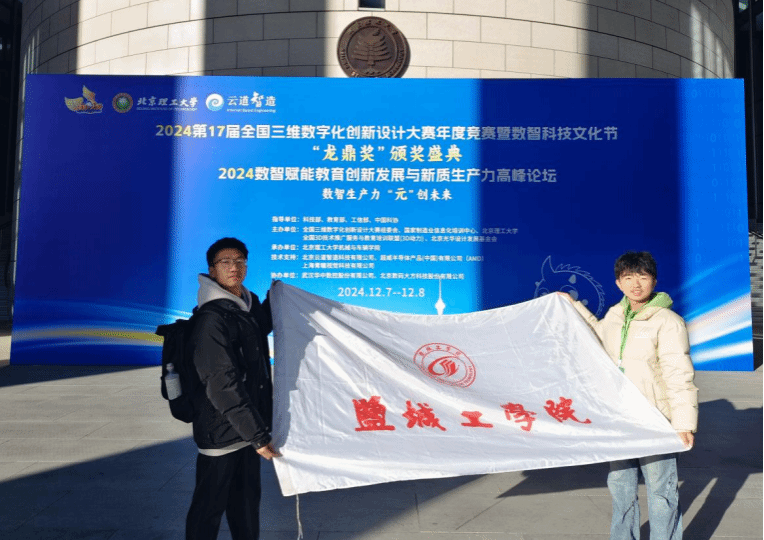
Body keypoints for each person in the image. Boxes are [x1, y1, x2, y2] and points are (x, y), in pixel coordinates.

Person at [559, 251, 697, 540]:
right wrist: (573, 306)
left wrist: (683, 423)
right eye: (629, 278)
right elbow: (597, 336)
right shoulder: (615, 315)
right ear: (618, 283)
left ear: (654, 281)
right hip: (620, 418)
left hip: (655, 419)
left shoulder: (667, 321)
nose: (636, 284)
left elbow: (678, 374)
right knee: (621, 487)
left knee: (661, 492)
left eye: (643, 277)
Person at [186, 237, 281, 540]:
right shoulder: (211, 319)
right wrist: (258, 435)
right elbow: (222, 385)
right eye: (225, 262)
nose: (234, 267)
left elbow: (257, 328)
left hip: (246, 428)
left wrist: (276, 298)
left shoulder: (242, 306)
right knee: (208, 509)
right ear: (212, 270)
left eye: (239, 261)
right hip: (222, 431)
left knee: (246, 506)